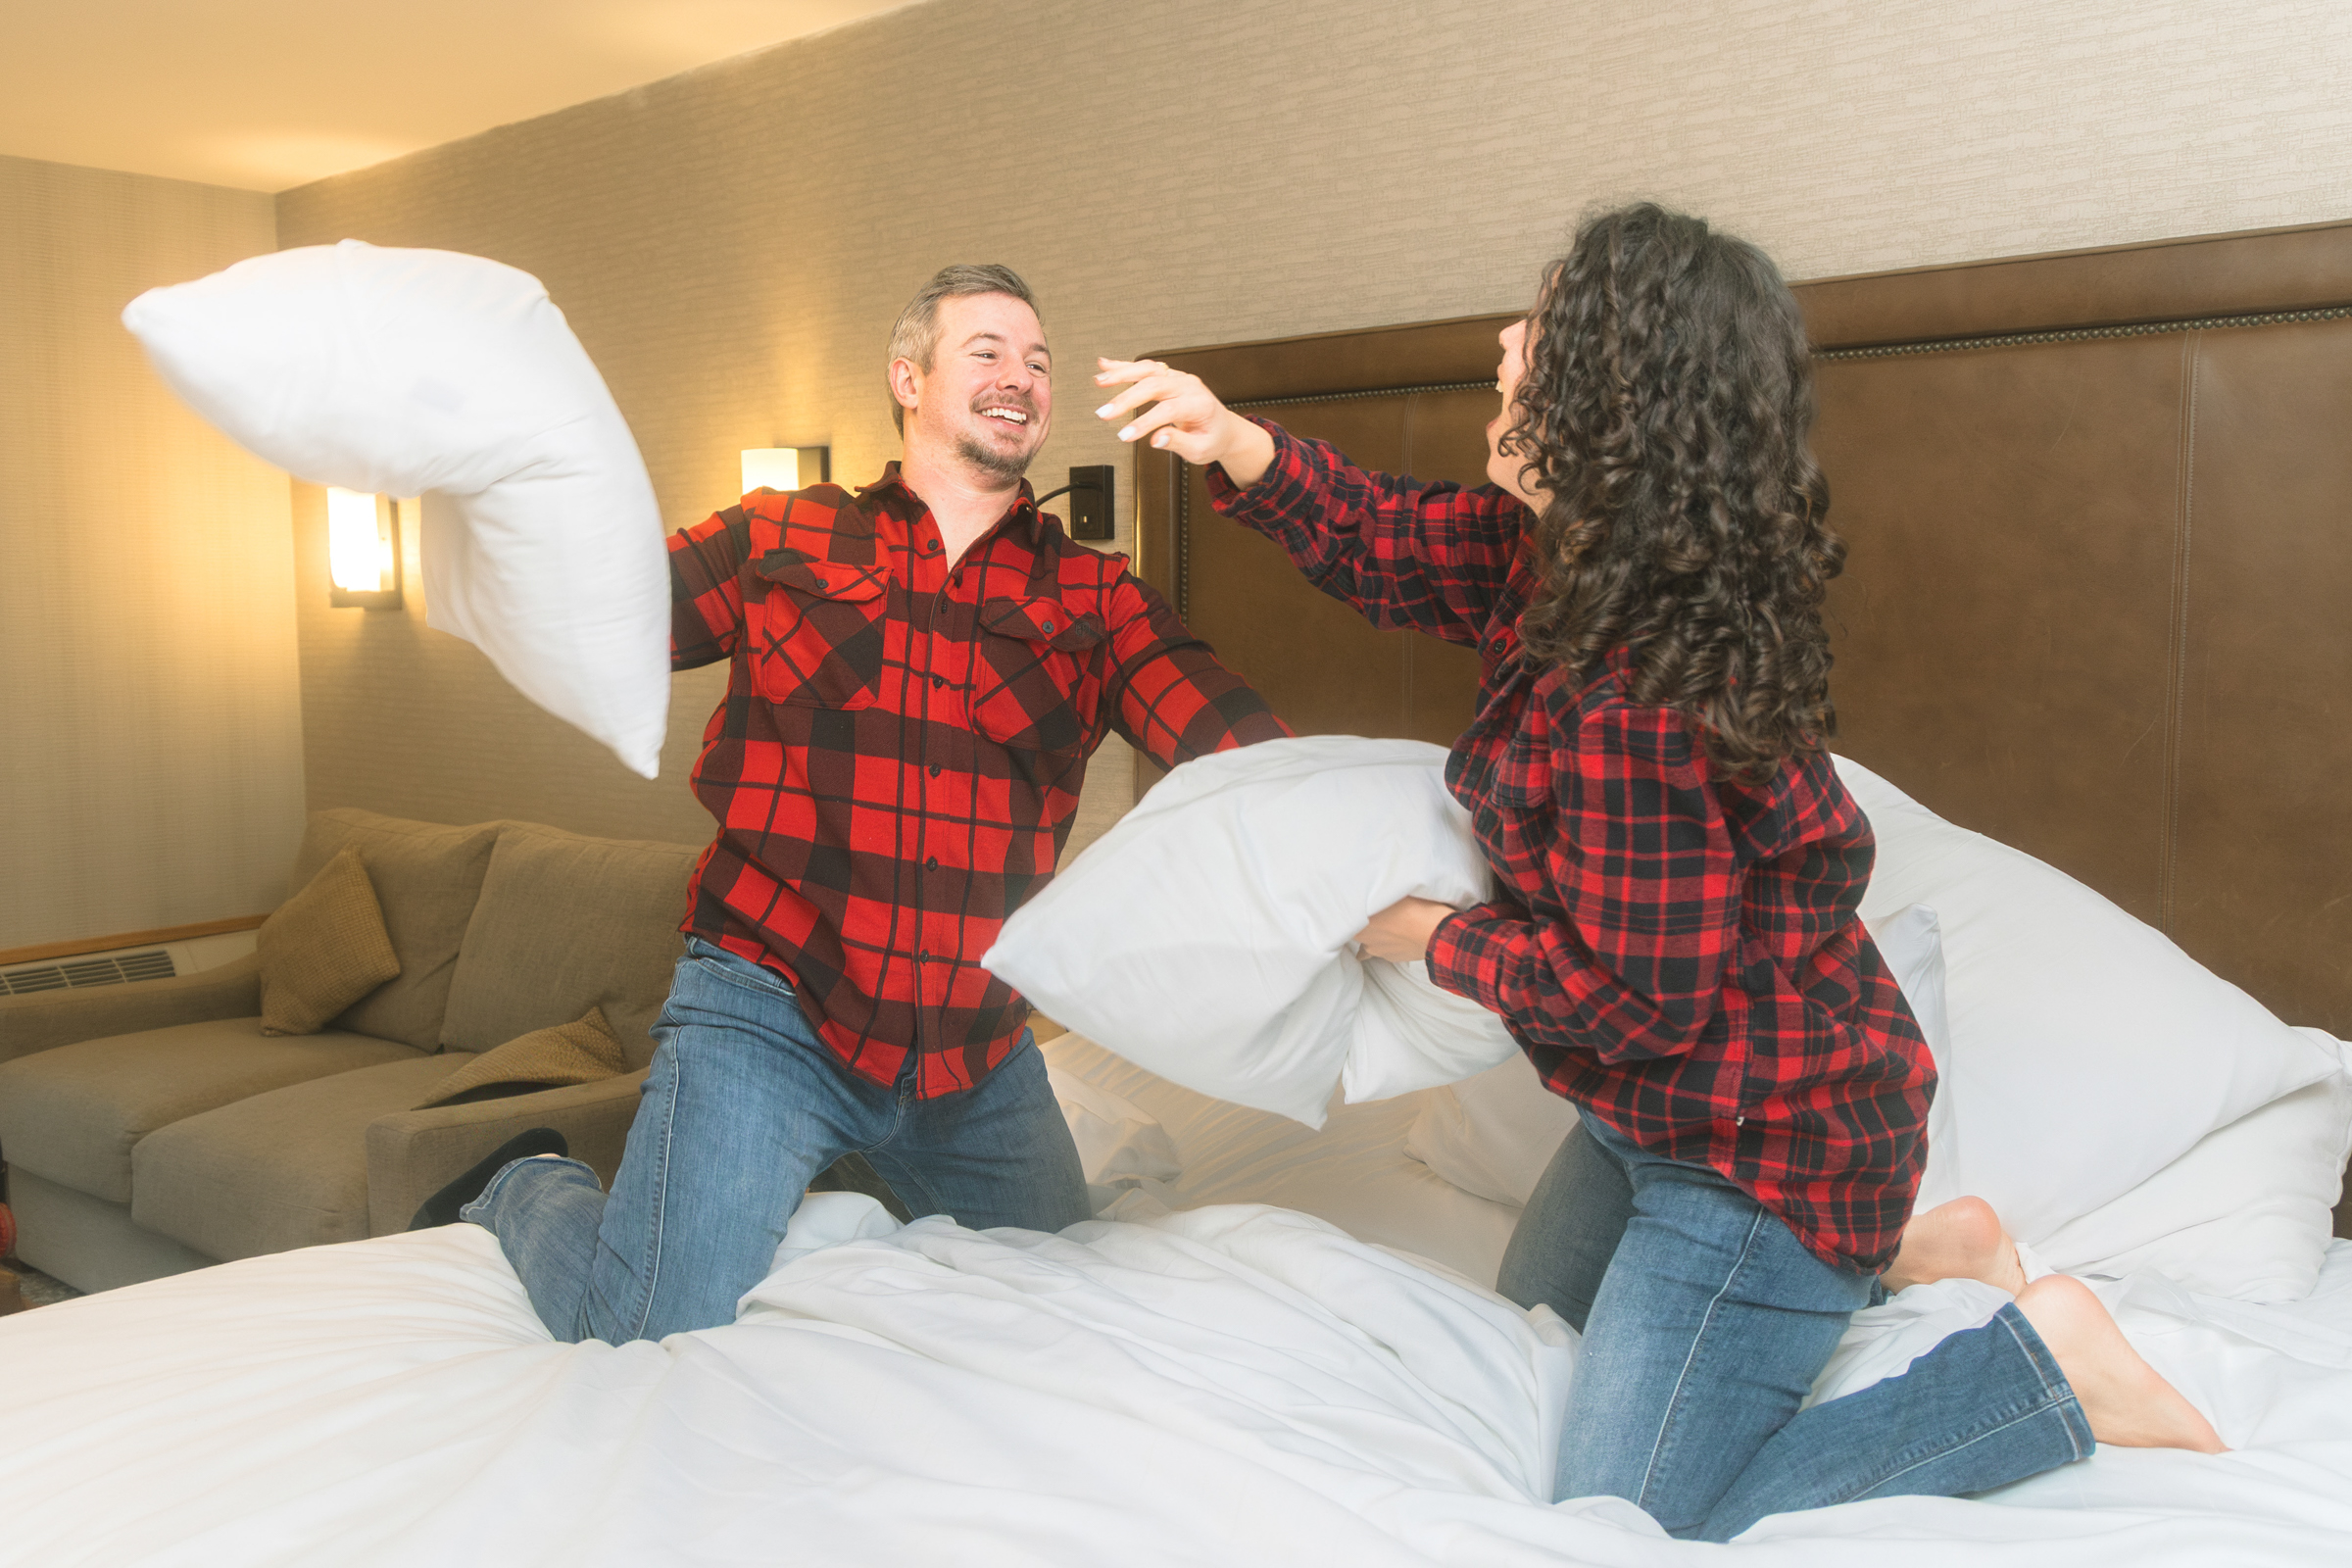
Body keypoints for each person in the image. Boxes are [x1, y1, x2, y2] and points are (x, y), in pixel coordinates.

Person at [1093, 205, 2222, 1543]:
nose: (1504, 347)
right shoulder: (1577, 566)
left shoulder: (1633, 689)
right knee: (1533, 1322)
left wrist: (1423, 940)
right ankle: (1922, 1252)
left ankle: (2045, 1375)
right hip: (1657, 1120)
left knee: (1633, 1515)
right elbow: (1395, 541)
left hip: (1765, 1155)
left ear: (1614, 399)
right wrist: (1237, 444)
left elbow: (1637, 1004)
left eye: (1540, 328)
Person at [426, 264, 1290, 1344]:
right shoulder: (779, 536)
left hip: (974, 1051)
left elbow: (1238, 744)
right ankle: (528, 1183)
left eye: (1038, 362)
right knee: (644, 1327)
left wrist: (1361, 851)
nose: (1018, 376)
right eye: (986, 351)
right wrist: (492, 486)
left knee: (1077, 1324)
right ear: (909, 378)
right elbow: (603, 619)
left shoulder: (1095, 599)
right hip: (770, 1008)